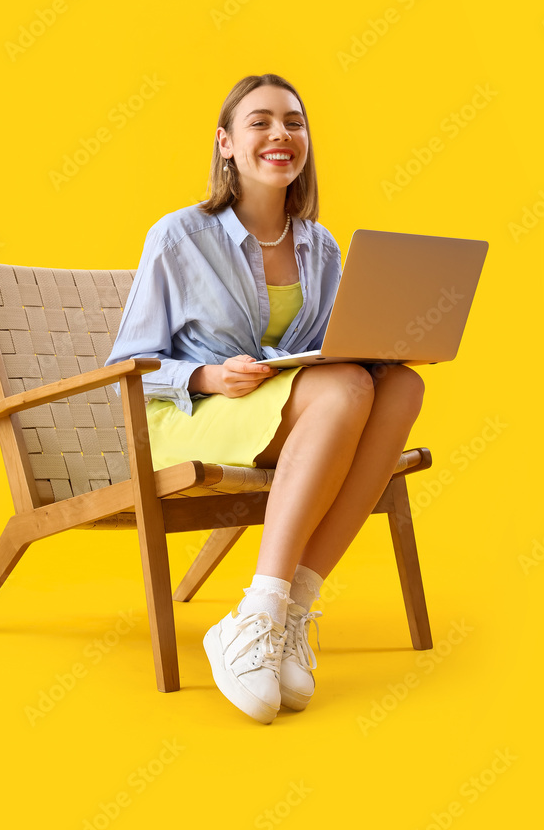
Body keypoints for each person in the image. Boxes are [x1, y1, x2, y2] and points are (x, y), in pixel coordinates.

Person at [105, 73, 425, 724]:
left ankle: (291, 611)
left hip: (293, 413)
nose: (281, 134)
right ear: (226, 143)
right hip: (195, 420)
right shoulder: (177, 236)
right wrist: (207, 377)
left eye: (294, 122)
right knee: (343, 388)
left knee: (398, 385)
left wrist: (386, 343)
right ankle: (257, 615)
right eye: (260, 122)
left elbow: (337, 348)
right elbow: (127, 366)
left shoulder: (322, 246)